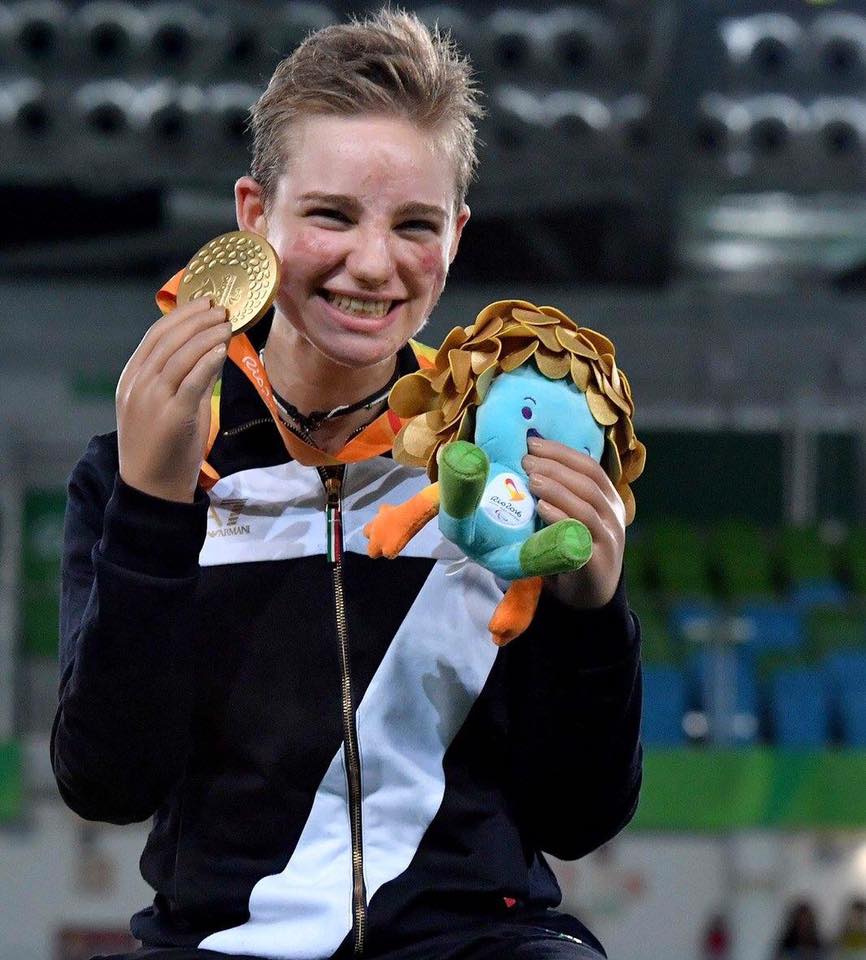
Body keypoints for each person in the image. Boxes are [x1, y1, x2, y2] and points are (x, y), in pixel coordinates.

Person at [53, 9, 642, 960]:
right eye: (330, 215)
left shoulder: (498, 451)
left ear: (454, 234)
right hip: (222, 940)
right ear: (255, 216)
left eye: (414, 224)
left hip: (478, 941)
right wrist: (156, 508)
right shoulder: (153, 459)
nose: (373, 263)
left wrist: (591, 614)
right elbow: (109, 785)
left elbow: (579, 815)